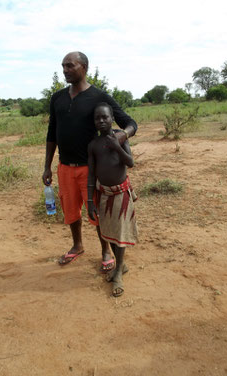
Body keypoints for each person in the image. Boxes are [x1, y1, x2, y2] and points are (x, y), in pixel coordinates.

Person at [42, 51, 138, 272]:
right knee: (70, 211)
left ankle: (105, 251)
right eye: (63, 66)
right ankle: (77, 245)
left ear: (83, 67)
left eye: (70, 66)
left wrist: (122, 136)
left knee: (97, 212)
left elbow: (129, 122)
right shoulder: (57, 98)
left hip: (90, 168)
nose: (65, 70)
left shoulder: (99, 97)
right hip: (65, 167)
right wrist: (47, 165)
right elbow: (51, 132)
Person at [87, 102, 138, 297]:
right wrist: (90, 202)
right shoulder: (93, 145)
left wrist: (117, 146)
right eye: (97, 118)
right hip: (104, 194)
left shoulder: (121, 137)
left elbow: (130, 162)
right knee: (110, 233)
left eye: (105, 117)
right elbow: (91, 175)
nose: (101, 121)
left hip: (120, 194)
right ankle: (121, 266)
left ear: (112, 118)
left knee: (120, 234)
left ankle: (118, 272)